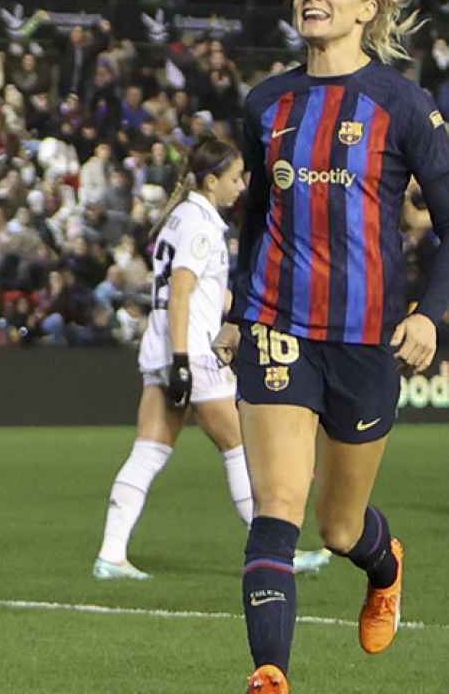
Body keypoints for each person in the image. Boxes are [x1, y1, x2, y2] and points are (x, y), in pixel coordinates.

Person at [221, 0, 449, 694]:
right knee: (276, 506)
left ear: (365, 11)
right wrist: (235, 306)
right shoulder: (265, 104)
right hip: (277, 325)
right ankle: (270, 674)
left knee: (338, 529)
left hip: (366, 339)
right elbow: (256, 215)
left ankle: (384, 568)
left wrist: (432, 316)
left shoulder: (401, 103)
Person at [92, 137, 331, 579]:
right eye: (235, 177)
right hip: (192, 349)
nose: (241, 186)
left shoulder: (179, 218)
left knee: (149, 450)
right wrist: (184, 358)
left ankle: (111, 554)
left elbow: (200, 291)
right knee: (241, 446)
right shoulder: (201, 224)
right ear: (211, 180)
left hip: (163, 344)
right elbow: (182, 290)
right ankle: (277, 554)